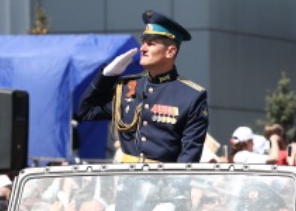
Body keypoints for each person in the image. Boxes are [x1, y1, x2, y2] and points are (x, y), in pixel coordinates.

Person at [75, 11, 209, 163]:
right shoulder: (127, 87)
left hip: (163, 183)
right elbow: (86, 111)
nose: (143, 48)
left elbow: (189, 157)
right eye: (143, 42)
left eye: (151, 44)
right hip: (127, 181)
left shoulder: (190, 96)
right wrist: (107, 75)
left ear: (170, 51)